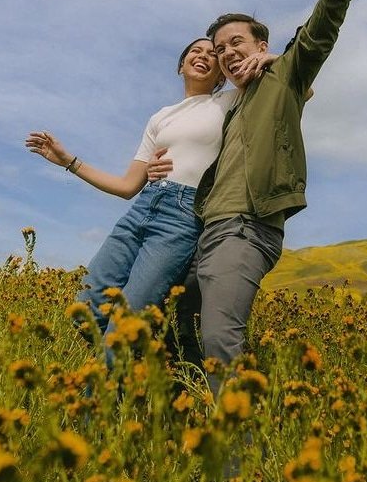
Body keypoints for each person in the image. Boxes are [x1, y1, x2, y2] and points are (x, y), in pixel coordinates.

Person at [151, 0, 367, 396]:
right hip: (206, 229)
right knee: (182, 332)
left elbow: (324, 24)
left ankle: (237, 461)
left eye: (236, 42)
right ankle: (189, 427)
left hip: (246, 228)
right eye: (219, 49)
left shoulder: (284, 75)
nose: (226, 52)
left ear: (261, 44)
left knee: (219, 338)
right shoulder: (231, 105)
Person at [25, 39, 276, 335]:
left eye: (213, 54)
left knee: (128, 321)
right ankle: (137, 364)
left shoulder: (231, 100)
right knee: (87, 308)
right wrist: (69, 161)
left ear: (222, 74)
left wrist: (268, 59)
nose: (203, 56)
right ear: (181, 64)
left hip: (182, 215)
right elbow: (127, 185)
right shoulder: (160, 117)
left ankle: (118, 371)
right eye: (195, 51)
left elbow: (298, 90)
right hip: (143, 207)